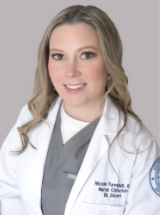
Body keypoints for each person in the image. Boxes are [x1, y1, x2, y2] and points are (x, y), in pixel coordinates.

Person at [0, 4, 159, 215]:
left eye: (86, 55)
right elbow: (8, 190)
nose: (70, 72)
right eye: (59, 56)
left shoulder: (138, 147)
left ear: (109, 62)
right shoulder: (29, 119)